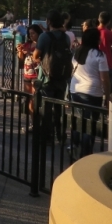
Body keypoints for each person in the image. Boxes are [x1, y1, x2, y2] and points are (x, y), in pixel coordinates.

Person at [32, 10, 74, 141]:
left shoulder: (44, 37)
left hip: (46, 77)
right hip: (61, 77)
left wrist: (40, 60)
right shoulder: (65, 37)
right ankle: (60, 133)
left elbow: (36, 56)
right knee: (59, 108)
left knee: (46, 108)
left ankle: (47, 135)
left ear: (48, 22)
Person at [69, 27, 110, 157]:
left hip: (75, 89)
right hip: (92, 92)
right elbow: (105, 78)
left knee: (77, 119)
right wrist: (107, 96)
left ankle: (74, 145)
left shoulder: (77, 52)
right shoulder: (99, 55)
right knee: (90, 124)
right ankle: (86, 152)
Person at [18, 23, 44, 130]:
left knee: (35, 100)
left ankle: (37, 123)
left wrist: (30, 53)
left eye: (33, 33)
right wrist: (20, 51)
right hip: (27, 73)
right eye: (30, 34)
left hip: (36, 74)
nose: (31, 35)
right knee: (28, 99)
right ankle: (33, 123)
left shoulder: (40, 45)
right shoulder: (27, 44)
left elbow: (41, 61)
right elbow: (20, 61)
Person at [97, 12, 112, 93]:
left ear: (98, 19)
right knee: (110, 91)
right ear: (109, 21)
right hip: (108, 63)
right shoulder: (110, 33)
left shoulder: (93, 32)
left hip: (95, 64)